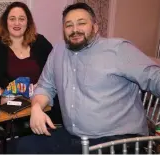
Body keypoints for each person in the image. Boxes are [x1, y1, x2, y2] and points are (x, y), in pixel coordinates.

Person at [10, 2, 160, 154]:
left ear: (95, 26)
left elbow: (155, 78)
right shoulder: (58, 52)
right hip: (77, 137)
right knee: (21, 147)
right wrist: (36, 107)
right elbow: (45, 86)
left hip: (119, 140)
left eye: (81, 23)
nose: (75, 30)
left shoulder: (117, 50)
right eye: (69, 25)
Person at [0, 2, 53, 90]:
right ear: (6, 22)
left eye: (21, 19)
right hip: (12, 97)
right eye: (12, 19)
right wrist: (21, 90)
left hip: (40, 95)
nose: (17, 23)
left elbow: (53, 68)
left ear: (28, 22)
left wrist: (40, 88)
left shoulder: (40, 42)